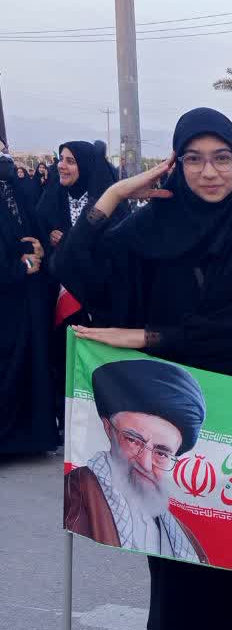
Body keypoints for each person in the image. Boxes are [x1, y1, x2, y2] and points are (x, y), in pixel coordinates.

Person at [57, 107, 232, 630]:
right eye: (194, 159)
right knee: (171, 532)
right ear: (176, 165)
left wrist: (148, 337)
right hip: (165, 404)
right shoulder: (152, 224)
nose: (209, 172)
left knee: (231, 532)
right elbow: (73, 269)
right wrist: (113, 195)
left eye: (221, 158)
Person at [64, 359, 208, 560]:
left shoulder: (182, 537)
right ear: (108, 429)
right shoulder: (77, 493)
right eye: (133, 440)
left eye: (161, 453)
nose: (145, 464)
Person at [36, 140, 126, 433]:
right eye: (61, 159)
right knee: (62, 361)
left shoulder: (108, 201)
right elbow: (39, 237)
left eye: (71, 161)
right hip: (58, 302)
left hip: (100, 302)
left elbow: (118, 248)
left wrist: (72, 244)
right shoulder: (50, 199)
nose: (61, 166)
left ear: (86, 166)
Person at [0, 150, 59, 455]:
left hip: (27, 300)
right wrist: (20, 267)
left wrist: (40, 250)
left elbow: (33, 234)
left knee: (29, 364)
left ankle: (28, 440)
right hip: (7, 301)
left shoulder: (14, 192)